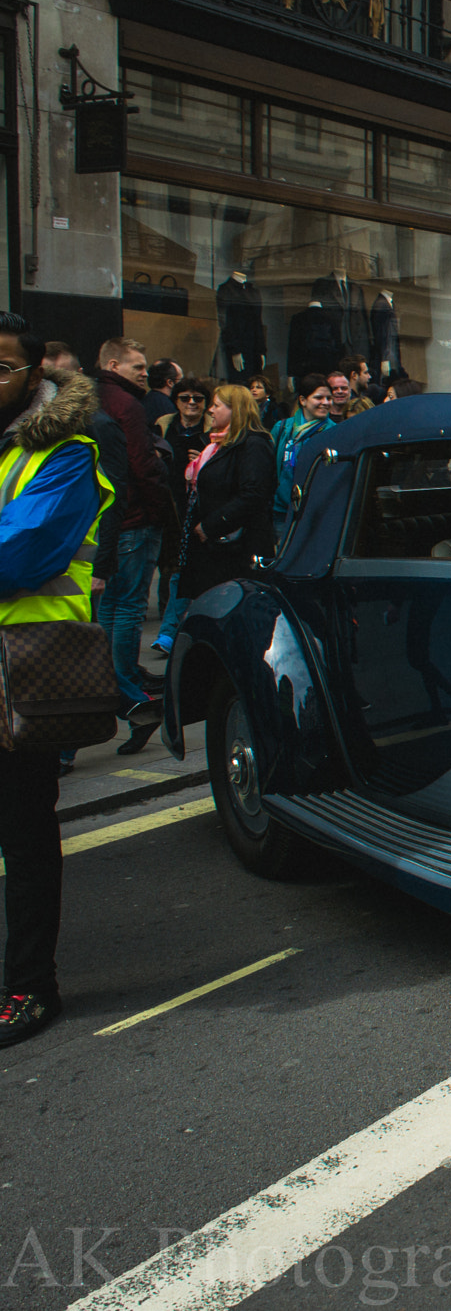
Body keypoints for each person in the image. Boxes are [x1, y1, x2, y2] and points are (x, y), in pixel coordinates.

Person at [0, 310, 117, 1047]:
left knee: (24, 828)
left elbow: (24, 554)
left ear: (36, 371)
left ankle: (29, 984)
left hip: (25, 671)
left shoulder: (67, 450)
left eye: (2, 365)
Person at [92, 338, 173, 725]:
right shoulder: (126, 405)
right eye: (138, 367)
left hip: (110, 519)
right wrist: (159, 510)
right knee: (128, 607)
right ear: (113, 364)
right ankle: (124, 684)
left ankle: (113, 677)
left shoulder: (96, 398)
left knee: (111, 604)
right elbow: (142, 465)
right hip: (134, 518)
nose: (145, 373)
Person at [177, 384, 277, 604]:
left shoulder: (253, 445)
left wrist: (210, 526)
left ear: (236, 409)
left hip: (236, 550)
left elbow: (253, 495)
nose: (210, 410)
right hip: (214, 550)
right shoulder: (217, 445)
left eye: (216, 405)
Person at [147, 376, 215, 667]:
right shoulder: (163, 426)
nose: (191, 404)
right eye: (185, 398)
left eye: (197, 399)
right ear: (175, 401)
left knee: (180, 569)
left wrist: (205, 458)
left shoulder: (211, 432)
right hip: (164, 503)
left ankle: (169, 630)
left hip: (195, 508)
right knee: (168, 564)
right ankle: (169, 625)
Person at [273, 375, 336, 546]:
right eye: (318, 397)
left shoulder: (334, 432)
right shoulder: (282, 428)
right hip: (280, 512)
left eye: (329, 398)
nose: (325, 402)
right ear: (303, 400)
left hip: (313, 514)